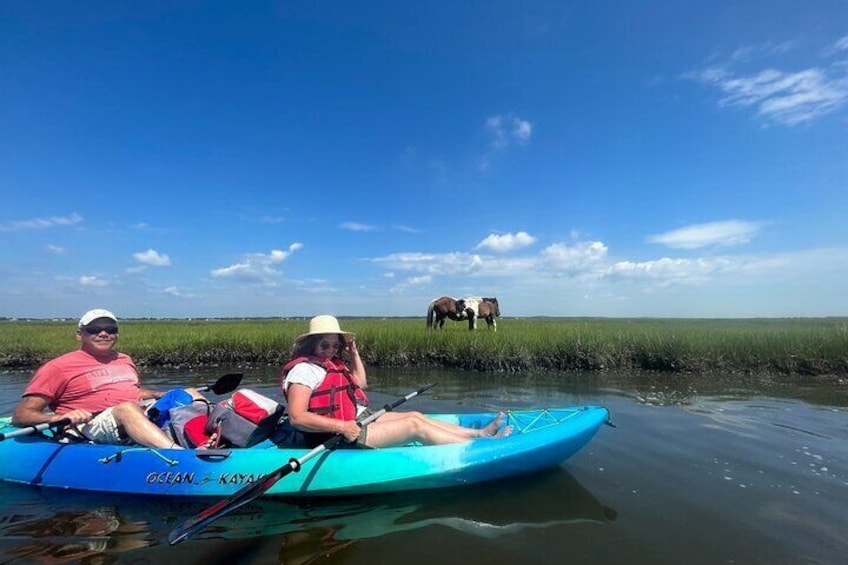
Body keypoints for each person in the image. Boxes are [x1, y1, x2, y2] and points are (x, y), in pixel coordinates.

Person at [280, 315, 511, 448]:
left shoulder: (333, 365)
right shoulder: (303, 371)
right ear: (311, 345)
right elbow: (297, 417)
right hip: (336, 434)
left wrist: (353, 352)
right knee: (414, 427)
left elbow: (361, 383)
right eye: (324, 345)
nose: (331, 350)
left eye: (335, 345)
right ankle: (476, 449)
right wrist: (342, 426)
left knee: (416, 415)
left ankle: (478, 435)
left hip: (357, 419)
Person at [12, 308, 205, 449]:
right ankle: (178, 455)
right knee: (126, 409)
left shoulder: (124, 359)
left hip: (137, 413)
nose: (103, 333)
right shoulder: (57, 367)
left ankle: (208, 437)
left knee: (189, 392)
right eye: (94, 329)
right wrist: (58, 417)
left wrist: (157, 393)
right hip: (89, 424)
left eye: (110, 329)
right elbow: (21, 415)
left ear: (116, 334)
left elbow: (131, 391)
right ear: (80, 335)